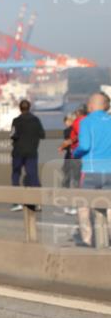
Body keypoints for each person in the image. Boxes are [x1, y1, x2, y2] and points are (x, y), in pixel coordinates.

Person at [73, 91, 111, 248]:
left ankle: (87, 240)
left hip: (91, 170)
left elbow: (85, 146)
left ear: (91, 106)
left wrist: (75, 153)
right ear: (105, 106)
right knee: (110, 206)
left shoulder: (86, 122)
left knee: (83, 206)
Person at [9, 99, 45, 211]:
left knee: (16, 174)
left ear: (20, 108)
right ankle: (37, 202)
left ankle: (16, 202)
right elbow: (42, 135)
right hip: (31, 152)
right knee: (33, 176)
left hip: (18, 152)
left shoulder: (16, 121)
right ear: (29, 108)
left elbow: (12, 135)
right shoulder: (36, 120)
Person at [58, 111, 83, 214]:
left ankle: (68, 205)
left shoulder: (68, 131)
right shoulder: (81, 129)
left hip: (70, 158)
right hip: (78, 158)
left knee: (67, 182)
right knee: (76, 182)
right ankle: (76, 206)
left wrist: (62, 146)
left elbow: (67, 143)